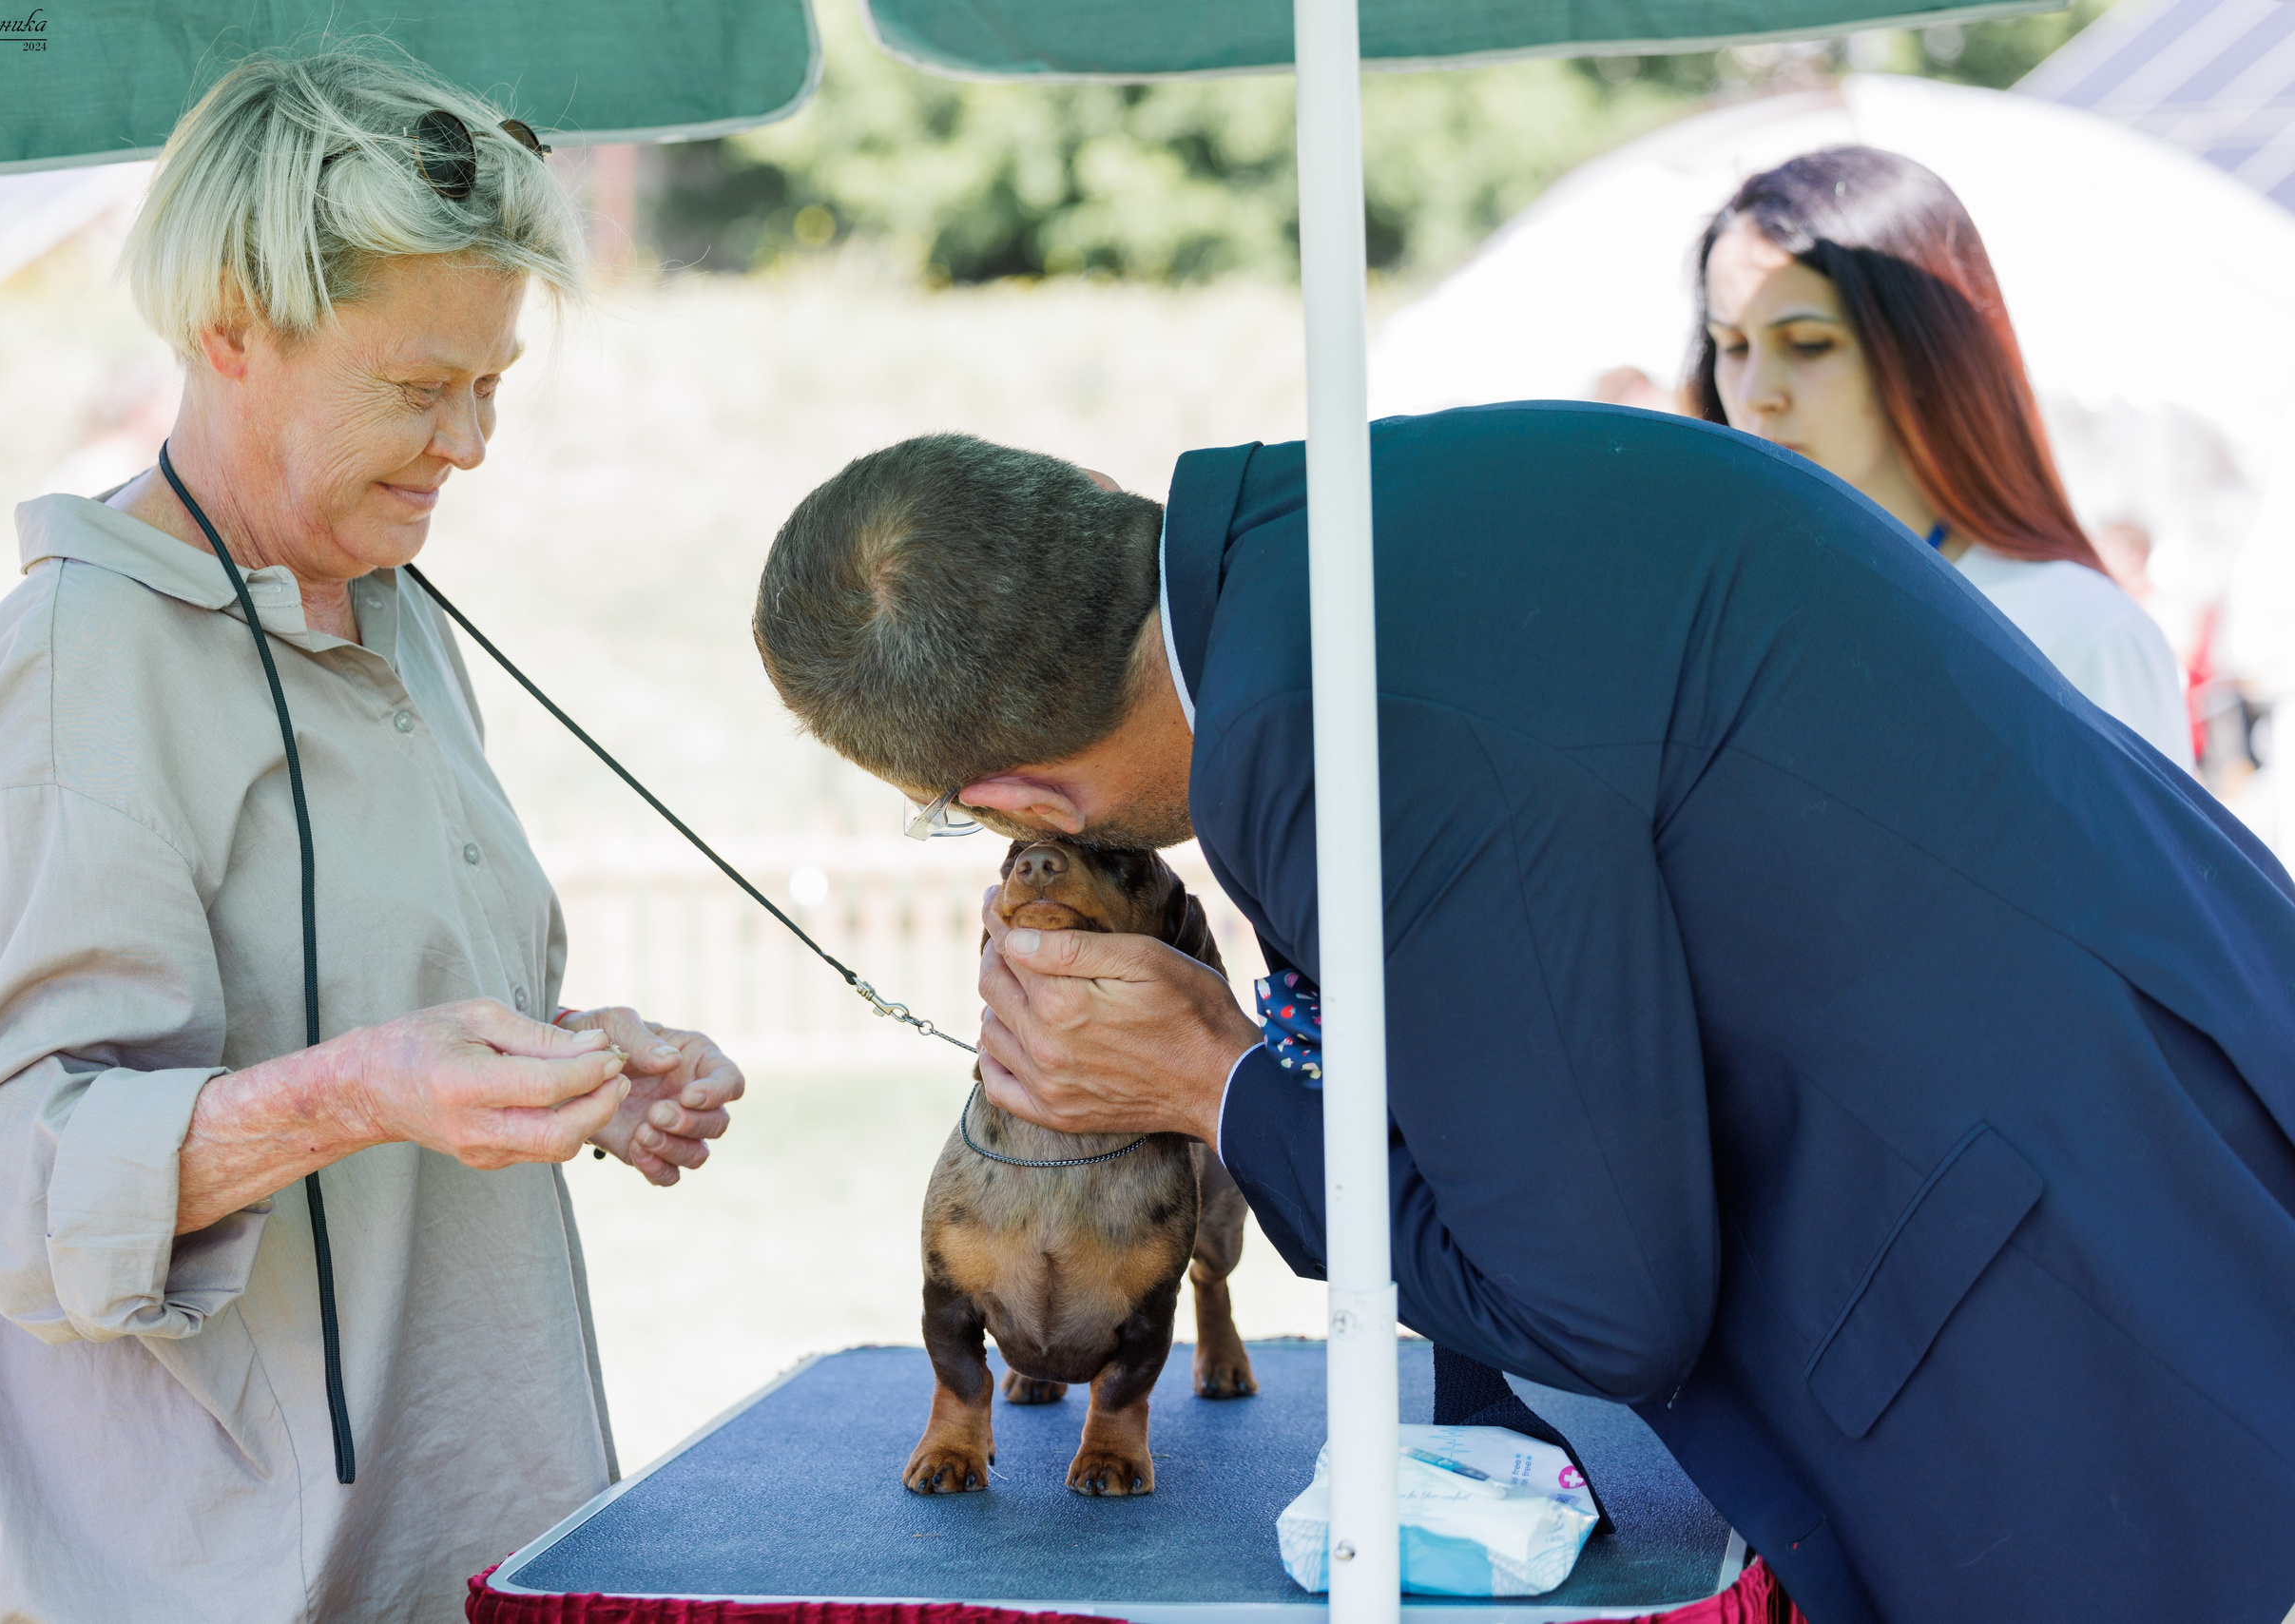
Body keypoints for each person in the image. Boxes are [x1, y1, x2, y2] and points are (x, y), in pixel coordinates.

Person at [753, 421, 2295, 1624]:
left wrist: (1217, 1084)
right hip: (2192, 1099)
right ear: (1092, 496)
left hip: (2106, 1336)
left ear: (1016, 803)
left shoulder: (1361, 735)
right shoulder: (1360, 513)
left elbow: (1603, 1302)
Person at [0, 51, 746, 1622]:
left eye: (495, 383)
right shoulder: (65, 685)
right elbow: (10, 1176)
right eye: (419, 388)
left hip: (448, 1544)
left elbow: (354, 1000)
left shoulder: (390, 607)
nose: (469, 441)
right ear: (231, 332)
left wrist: (573, 1066)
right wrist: (361, 1090)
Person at [1690, 146, 2193, 769]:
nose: (1756, 394)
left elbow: (2148, 869)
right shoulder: (1718, 631)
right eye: (1732, 346)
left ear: (1922, 351)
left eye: (1808, 344)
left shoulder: (2077, 635)